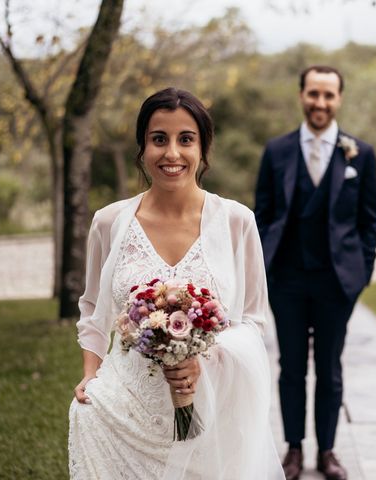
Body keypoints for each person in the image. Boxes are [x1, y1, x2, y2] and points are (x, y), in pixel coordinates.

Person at [68, 87, 284, 480]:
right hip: (123, 408)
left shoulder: (237, 222)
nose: (171, 153)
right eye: (158, 139)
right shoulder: (108, 223)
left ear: (203, 149)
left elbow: (254, 320)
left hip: (210, 407)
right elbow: (92, 310)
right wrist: (90, 374)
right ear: (142, 148)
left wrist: (203, 358)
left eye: (186, 139)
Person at [254, 66, 376, 480]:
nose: (320, 103)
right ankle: (293, 451)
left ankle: (327, 452)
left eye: (328, 95)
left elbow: (370, 221)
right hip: (287, 280)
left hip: (336, 282)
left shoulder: (360, 153)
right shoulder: (276, 151)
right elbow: (263, 214)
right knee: (291, 367)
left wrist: (361, 272)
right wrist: (265, 269)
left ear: (339, 99)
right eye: (313, 94)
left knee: (329, 367)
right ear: (301, 95)